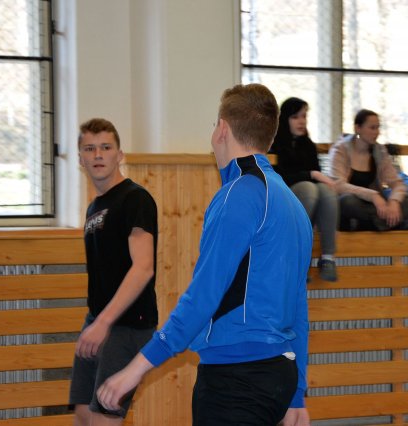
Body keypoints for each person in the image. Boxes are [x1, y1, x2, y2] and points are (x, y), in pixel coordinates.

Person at [96, 84, 313, 426]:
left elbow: (204, 295)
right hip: (277, 376)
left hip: (236, 380)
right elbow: (298, 305)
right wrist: (296, 391)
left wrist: (136, 369)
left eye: (214, 125)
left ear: (222, 129)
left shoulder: (239, 194)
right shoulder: (292, 202)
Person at [70, 118, 159, 425]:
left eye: (106, 147)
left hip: (127, 325)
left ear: (119, 155)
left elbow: (143, 267)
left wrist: (104, 322)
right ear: (80, 158)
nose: (98, 155)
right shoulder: (94, 207)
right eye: (89, 149)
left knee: (103, 418)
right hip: (97, 321)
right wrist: (96, 321)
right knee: (83, 415)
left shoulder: (135, 198)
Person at [271, 97, 339, 282]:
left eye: (304, 116)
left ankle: (328, 257)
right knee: (309, 188)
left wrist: (313, 176)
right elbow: (280, 178)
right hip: (281, 196)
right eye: (295, 117)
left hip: (308, 196)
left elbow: (315, 174)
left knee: (326, 192)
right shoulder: (273, 143)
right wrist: (311, 174)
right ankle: (299, 258)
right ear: (284, 119)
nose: (301, 121)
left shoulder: (308, 145)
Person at [329, 109, 408, 231]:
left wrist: (394, 201)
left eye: (378, 128)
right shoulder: (340, 149)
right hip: (356, 205)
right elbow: (338, 185)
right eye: (372, 128)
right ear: (358, 128)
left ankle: (378, 222)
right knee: (347, 202)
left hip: (377, 206)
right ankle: (385, 222)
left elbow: (397, 183)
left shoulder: (380, 151)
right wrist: (373, 195)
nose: (377, 132)